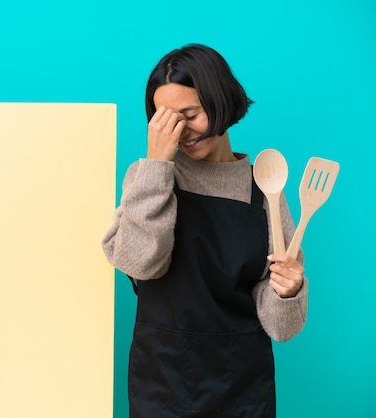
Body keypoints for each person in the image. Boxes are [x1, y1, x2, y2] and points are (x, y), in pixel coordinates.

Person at [102, 44, 308, 418]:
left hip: (243, 386)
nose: (180, 130)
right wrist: (156, 164)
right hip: (161, 383)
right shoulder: (149, 177)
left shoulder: (266, 188)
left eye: (190, 114)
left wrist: (290, 291)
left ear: (220, 100)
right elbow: (140, 263)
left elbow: (282, 328)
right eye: (166, 120)